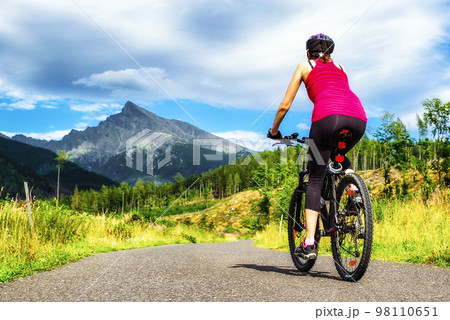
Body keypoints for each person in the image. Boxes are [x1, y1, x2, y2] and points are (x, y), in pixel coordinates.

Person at [268, 33, 367, 260]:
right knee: (338, 154)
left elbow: (284, 106)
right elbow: (341, 94)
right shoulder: (340, 67)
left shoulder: (305, 65)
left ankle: (310, 242)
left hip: (327, 118)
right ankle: (353, 189)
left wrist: (274, 132)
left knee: (314, 180)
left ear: (308, 52)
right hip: (358, 118)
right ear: (330, 52)